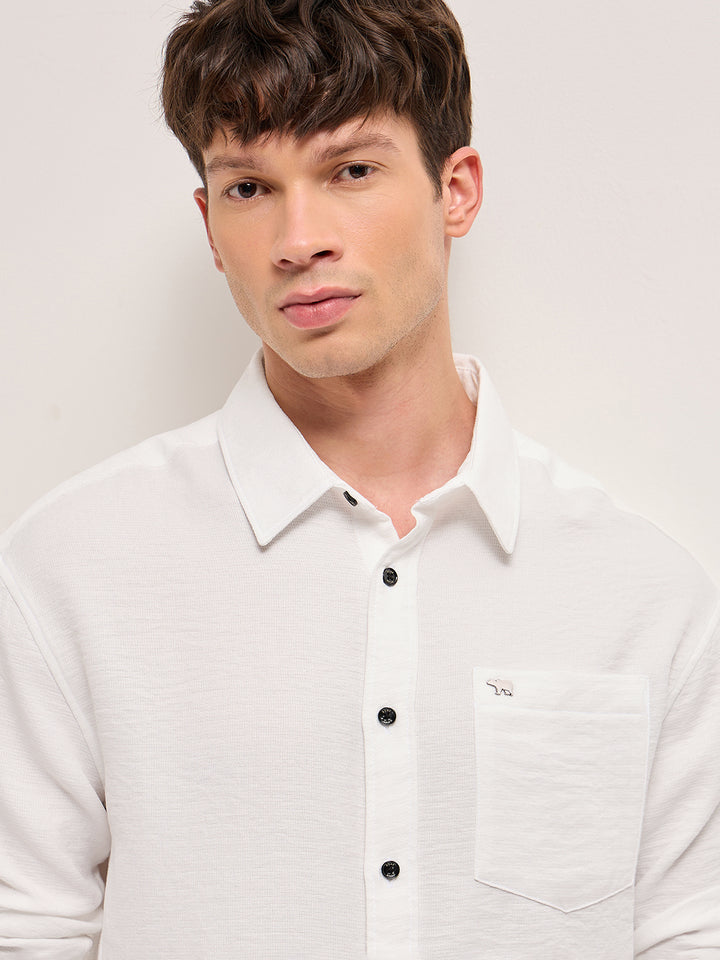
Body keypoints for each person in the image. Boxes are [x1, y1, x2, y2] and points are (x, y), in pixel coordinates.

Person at [0, 0, 718, 956]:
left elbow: (686, 932)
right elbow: (29, 926)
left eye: (351, 170)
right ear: (210, 225)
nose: (299, 239)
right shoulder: (69, 570)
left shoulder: (643, 596)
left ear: (456, 190)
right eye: (249, 187)